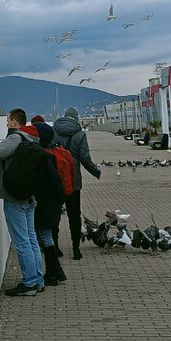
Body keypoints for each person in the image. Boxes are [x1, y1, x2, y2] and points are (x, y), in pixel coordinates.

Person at [0, 108, 45, 296]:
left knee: (22, 242)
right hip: (29, 196)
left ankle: (29, 284)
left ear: (14, 122)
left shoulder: (15, 138)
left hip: (14, 198)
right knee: (32, 239)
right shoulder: (29, 138)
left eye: (8, 120)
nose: (6, 123)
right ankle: (38, 280)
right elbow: (2, 151)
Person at [51, 107, 101, 260]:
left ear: (65, 117)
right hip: (73, 181)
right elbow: (85, 158)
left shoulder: (53, 131)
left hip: (56, 179)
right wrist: (95, 171)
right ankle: (76, 249)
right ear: (76, 118)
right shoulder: (80, 134)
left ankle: (56, 248)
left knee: (55, 214)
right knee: (74, 215)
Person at [33, 121, 67, 285]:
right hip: (51, 205)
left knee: (46, 238)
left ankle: (53, 274)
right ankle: (57, 271)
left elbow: (53, 182)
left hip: (46, 206)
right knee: (47, 238)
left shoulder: (43, 157)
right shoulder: (49, 155)